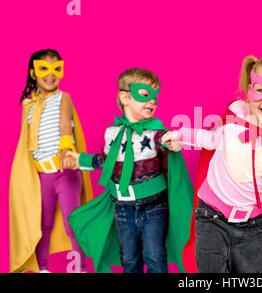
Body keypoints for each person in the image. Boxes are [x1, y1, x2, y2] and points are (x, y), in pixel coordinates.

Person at [162, 52, 262, 273]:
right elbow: (212, 138)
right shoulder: (236, 114)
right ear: (250, 89)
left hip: (253, 228)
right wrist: (180, 136)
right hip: (210, 216)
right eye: (261, 89)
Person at [66, 68, 193, 273]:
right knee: (129, 258)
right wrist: (79, 160)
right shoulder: (112, 133)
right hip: (122, 208)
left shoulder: (155, 131)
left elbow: (164, 141)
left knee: (155, 257)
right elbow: (106, 162)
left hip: (154, 206)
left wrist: (172, 142)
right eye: (145, 95)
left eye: (156, 97)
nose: (153, 101)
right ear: (125, 97)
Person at [9, 49, 93, 273]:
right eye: (44, 68)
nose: (50, 74)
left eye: (56, 68)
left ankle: (82, 269)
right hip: (41, 175)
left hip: (65, 171)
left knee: (72, 222)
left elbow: (66, 124)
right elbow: (26, 143)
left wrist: (67, 149)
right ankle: (42, 269)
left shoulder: (63, 97)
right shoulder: (28, 105)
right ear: (33, 72)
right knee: (43, 224)